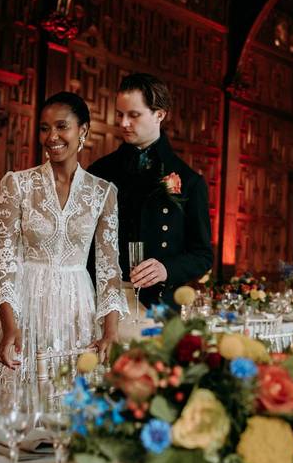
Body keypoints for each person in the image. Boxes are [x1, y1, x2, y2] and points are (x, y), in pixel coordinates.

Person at [0, 92, 127, 401]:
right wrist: (10, 326)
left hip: (77, 310)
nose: (52, 137)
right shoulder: (17, 184)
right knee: (20, 413)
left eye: (62, 126)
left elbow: (108, 268)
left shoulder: (103, 193)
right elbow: (2, 260)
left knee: (70, 412)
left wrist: (111, 332)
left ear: (83, 131)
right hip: (26, 307)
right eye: (45, 128)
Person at [89, 73, 213, 310]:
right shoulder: (99, 171)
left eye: (134, 115)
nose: (123, 123)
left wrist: (166, 268)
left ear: (160, 114)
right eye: (120, 114)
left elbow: (202, 255)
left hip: (158, 307)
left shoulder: (188, 180)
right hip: (101, 302)